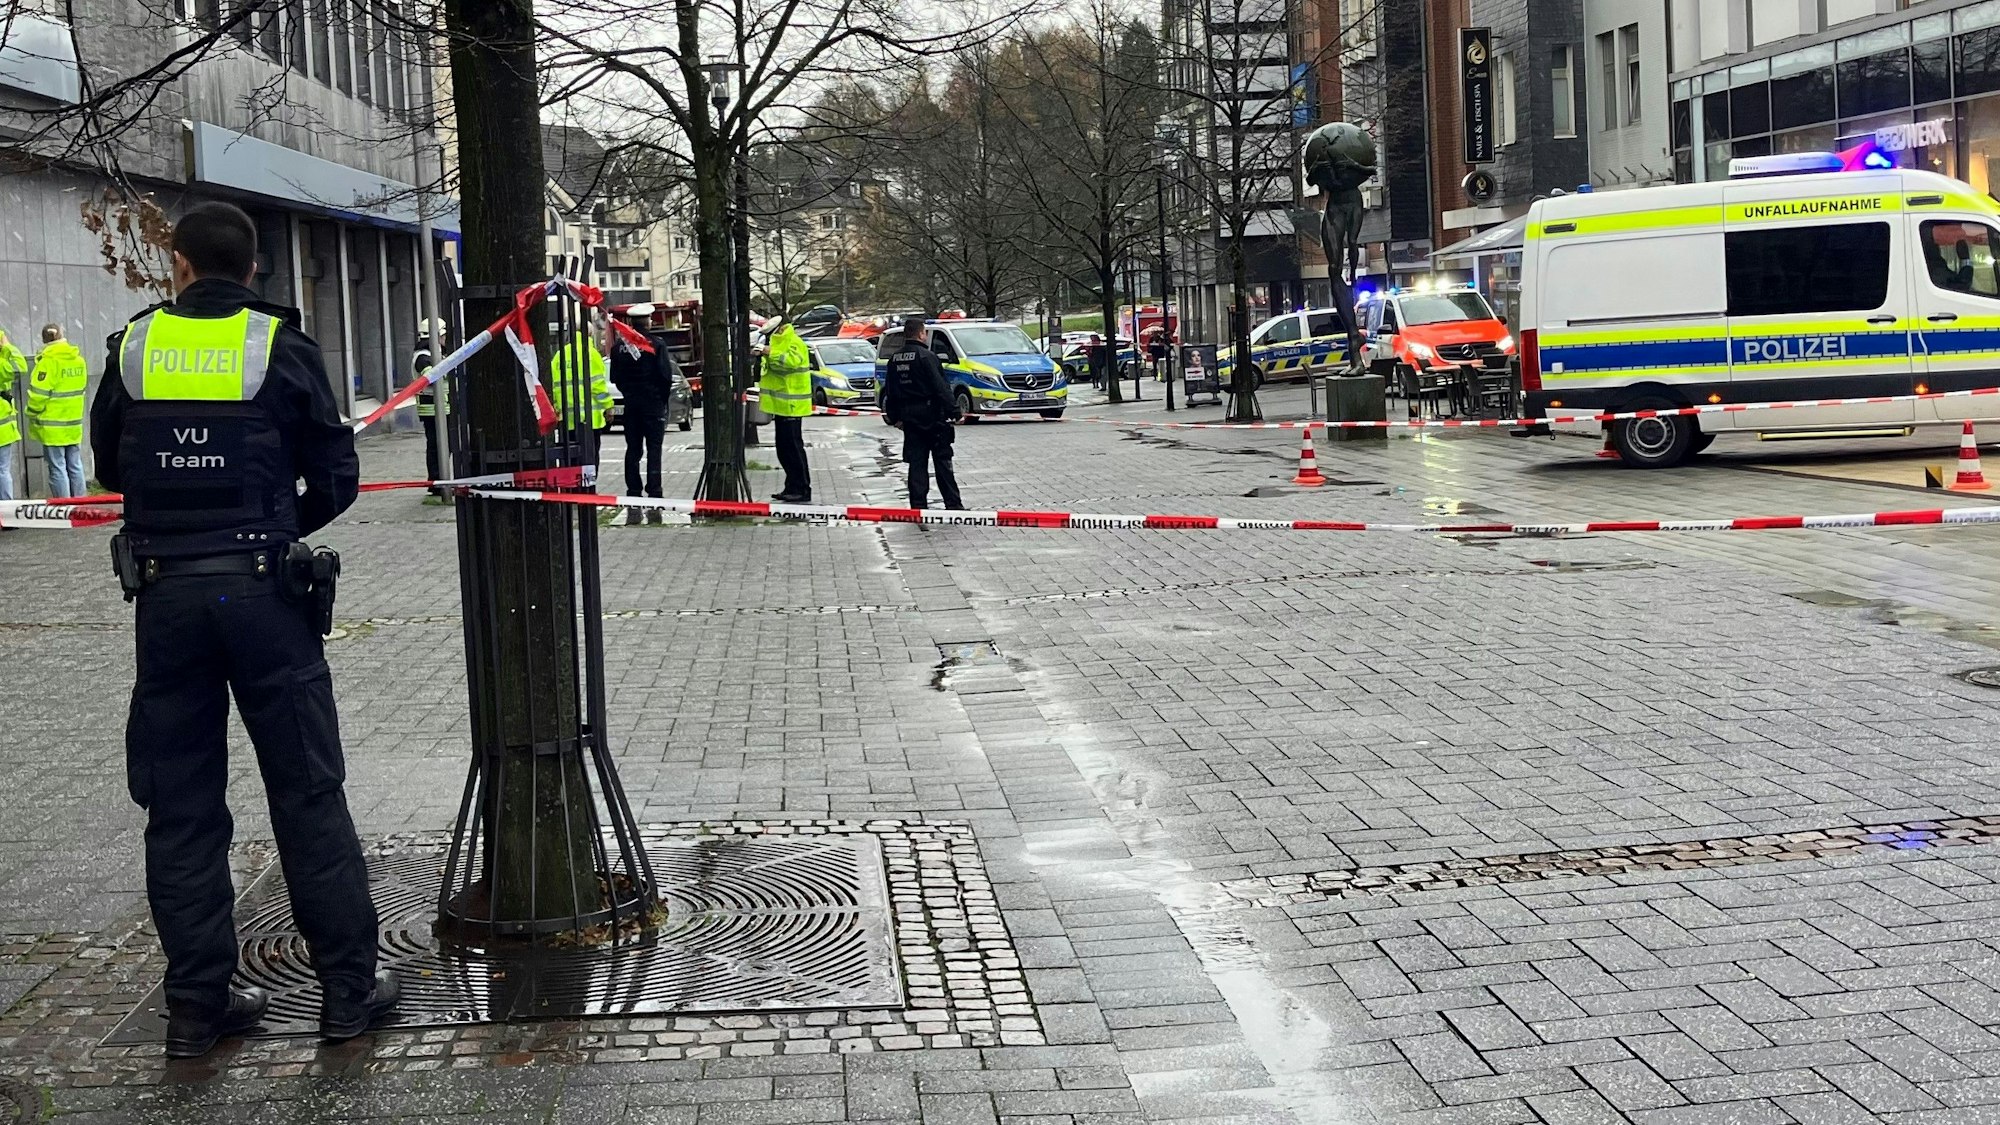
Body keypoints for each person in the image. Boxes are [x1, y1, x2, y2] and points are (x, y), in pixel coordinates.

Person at [88, 201, 397, 1060]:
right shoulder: (280, 346)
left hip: (166, 599)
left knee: (181, 807)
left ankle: (196, 1005)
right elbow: (336, 474)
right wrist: (272, 522)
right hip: (267, 594)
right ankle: (346, 994)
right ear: (253, 268)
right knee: (306, 791)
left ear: (178, 265)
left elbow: (112, 464)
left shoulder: (137, 346)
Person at [882, 316, 963, 511]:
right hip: (933, 416)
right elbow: (940, 387)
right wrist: (954, 411)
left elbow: (890, 391)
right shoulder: (927, 356)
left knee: (916, 465)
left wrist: (894, 417)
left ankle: (918, 506)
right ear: (920, 333)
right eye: (925, 332)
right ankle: (953, 505)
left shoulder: (894, 359)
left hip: (910, 419)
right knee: (943, 463)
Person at [608, 304, 673, 525]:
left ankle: (633, 490)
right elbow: (665, 376)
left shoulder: (618, 348)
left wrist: (629, 392)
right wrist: (661, 400)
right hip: (653, 405)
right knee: (654, 450)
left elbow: (615, 377)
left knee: (633, 449)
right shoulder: (656, 345)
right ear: (648, 321)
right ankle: (655, 491)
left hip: (631, 405)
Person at [756, 314, 813, 502]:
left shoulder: (794, 342)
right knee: (784, 449)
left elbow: (790, 363)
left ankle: (802, 488)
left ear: (780, 328)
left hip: (792, 405)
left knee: (793, 448)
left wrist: (768, 352)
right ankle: (792, 486)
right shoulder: (781, 342)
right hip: (782, 406)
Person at [30, 323, 89, 498]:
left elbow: (38, 395)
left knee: (57, 467)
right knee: (75, 464)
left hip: (52, 426)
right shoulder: (78, 360)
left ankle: (64, 507)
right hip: (74, 423)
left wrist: (31, 413)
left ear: (43, 339)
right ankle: (81, 504)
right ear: (62, 335)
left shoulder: (47, 363)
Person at [413, 319, 450, 492]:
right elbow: (432, 378)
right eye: (442, 336)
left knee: (443, 445)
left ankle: (439, 480)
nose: (445, 339)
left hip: (441, 408)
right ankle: (435, 483)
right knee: (436, 446)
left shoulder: (434, 355)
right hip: (432, 409)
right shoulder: (423, 358)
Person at [0, 330, 22, 503]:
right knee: (3, 470)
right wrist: (8, 348)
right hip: (3, 430)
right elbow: (20, 367)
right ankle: (6, 512)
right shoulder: (3, 364)